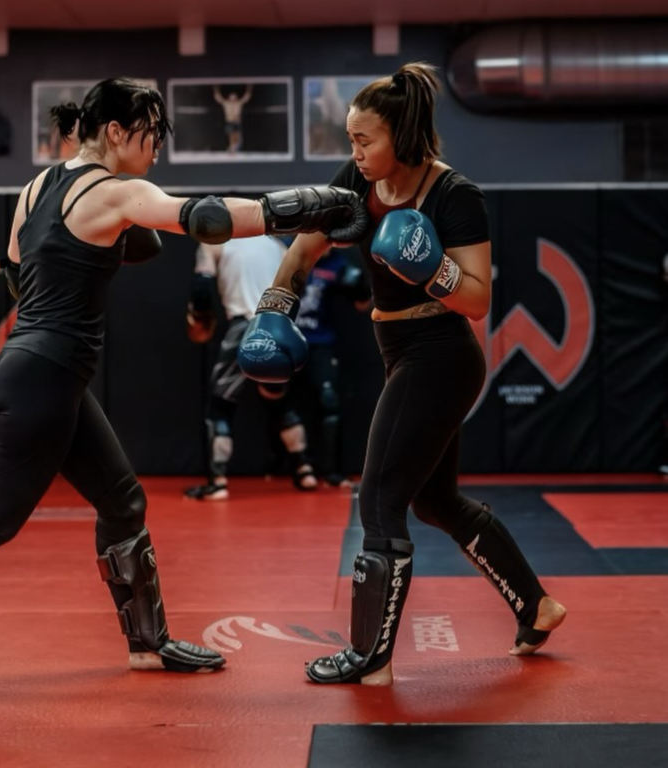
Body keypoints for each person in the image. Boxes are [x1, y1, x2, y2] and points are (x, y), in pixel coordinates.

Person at [0, 77, 366, 698]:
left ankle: (148, 643)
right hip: (45, 377)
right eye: (150, 137)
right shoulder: (114, 191)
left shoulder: (38, 187)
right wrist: (316, 205)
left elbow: (16, 270)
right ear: (116, 132)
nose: (155, 152)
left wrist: (105, 249)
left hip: (43, 370)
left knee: (122, 501)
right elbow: (209, 218)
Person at [238, 63, 567, 686]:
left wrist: (431, 266)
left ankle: (370, 657)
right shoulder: (356, 181)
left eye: (365, 141)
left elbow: (474, 301)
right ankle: (537, 606)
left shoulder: (454, 196)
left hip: (440, 352)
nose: (354, 153)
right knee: (434, 498)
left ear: (404, 137)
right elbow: (304, 250)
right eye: (350, 140)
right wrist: (272, 310)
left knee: (380, 501)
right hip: (397, 347)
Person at [183, 236, 319, 501]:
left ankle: (218, 481)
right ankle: (305, 469)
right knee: (278, 400)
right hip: (278, 327)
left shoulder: (214, 243)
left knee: (221, 404)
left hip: (244, 324)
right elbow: (301, 286)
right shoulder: (277, 245)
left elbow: (201, 288)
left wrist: (199, 316)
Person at [289, 246, 372, 485]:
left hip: (320, 342)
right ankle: (296, 467)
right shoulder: (291, 255)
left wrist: (359, 286)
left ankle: (334, 472)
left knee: (329, 401)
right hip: (288, 339)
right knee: (283, 402)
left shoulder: (338, 264)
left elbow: (362, 304)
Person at [213, 84, 252, 154]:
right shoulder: (226, 103)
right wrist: (216, 89)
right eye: (232, 97)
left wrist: (249, 89)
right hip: (230, 122)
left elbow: (246, 98)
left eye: (234, 97)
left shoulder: (238, 103)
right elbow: (218, 98)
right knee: (232, 137)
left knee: (238, 139)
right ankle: (231, 150)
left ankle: (231, 149)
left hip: (237, 122)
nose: (233, 98)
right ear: (229, 98)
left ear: (236, 98)